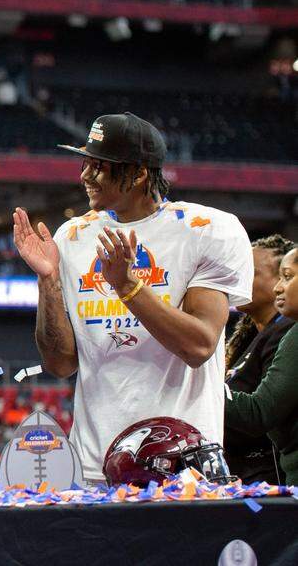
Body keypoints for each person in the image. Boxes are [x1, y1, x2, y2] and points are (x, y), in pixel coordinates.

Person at [14, 112, 253, 484]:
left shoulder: (207, 231)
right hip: (95, 466)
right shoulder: (73, 237)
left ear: (139, 173)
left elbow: (199, 345)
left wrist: (128, 287)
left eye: (99, 166)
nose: (84, 176)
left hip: (183, 465)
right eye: (85, 163)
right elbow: (60, 364)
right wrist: (49, 282)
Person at [224, 235, 295, 483]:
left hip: (267, 478)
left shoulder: (286, 330)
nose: (237, 279)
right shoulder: (251, 336)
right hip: (247, 474)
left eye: (250, 272)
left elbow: (260, 413)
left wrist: (199, 386)